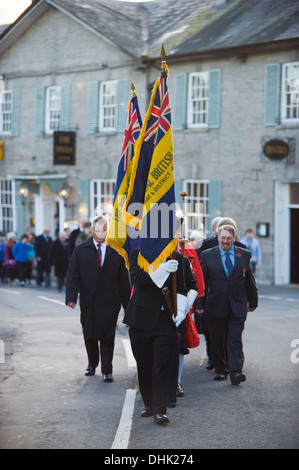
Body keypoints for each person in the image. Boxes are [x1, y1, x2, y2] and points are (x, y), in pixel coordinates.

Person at [123, 248, 198, 425]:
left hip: (166, 321)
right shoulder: (137, 255)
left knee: (162, 367)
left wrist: (182, 310)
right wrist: (164, 270)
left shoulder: (178, 258)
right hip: (140, 320)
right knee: (145, 365)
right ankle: (149, 404)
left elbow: (188, 286)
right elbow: (140, 280)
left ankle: (160, 409)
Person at [65, 215, 130, 382]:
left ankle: (107, 370)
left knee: (108, 335)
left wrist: (127, 305)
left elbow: (123, 280)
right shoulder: (80, 250)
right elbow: (73, 275)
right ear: (92, 230)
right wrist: (71, 297)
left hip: (110, 301)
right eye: (99, 230)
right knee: (89, 333)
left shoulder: (116, 252)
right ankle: (92, 363)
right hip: (89, 300)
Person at [199, 225, 258, 385]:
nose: (225, 241)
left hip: (237, 304)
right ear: (218, 237)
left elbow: (250, 279)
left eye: (228, 238)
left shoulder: (243, 254)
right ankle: (220, 369)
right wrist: (198, 303)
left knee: (234, 338)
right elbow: (201, 282)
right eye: (222, 238)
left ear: (234, 239)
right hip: (215, 304)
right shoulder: (207, 255)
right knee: (217, 339)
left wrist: (253, 300)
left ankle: (236, 371)